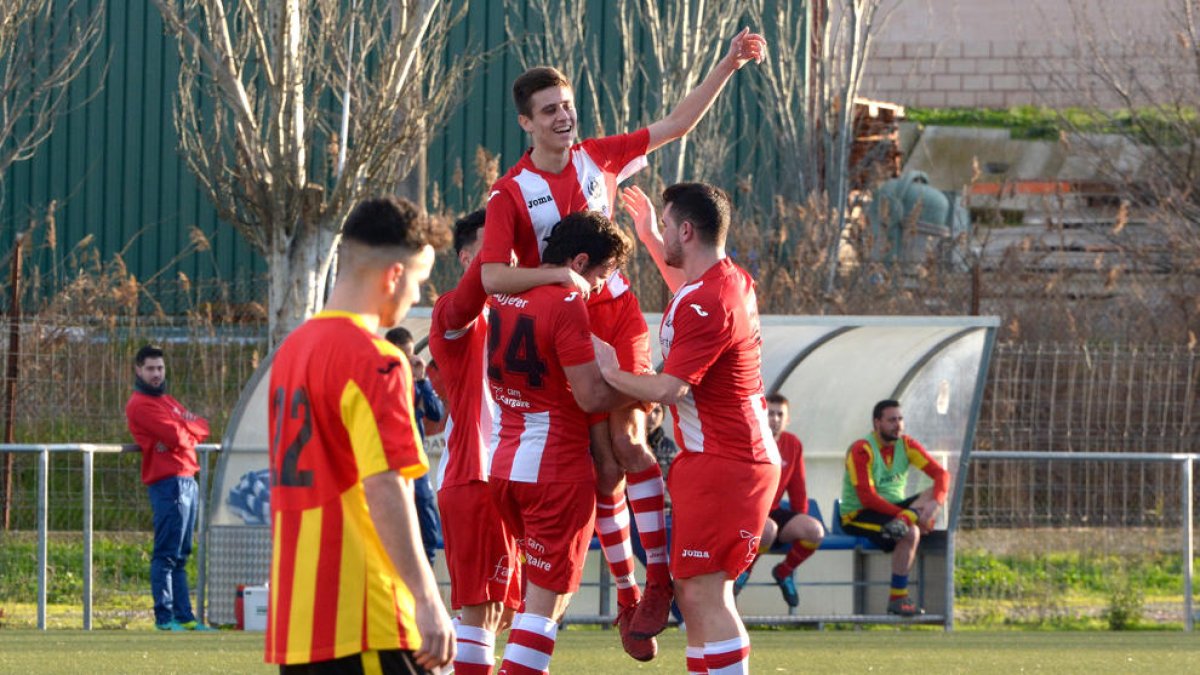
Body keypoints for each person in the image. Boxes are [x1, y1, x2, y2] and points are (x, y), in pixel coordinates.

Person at [478, 28, 768, 655]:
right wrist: (558, 276)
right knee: (600, 466)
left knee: (630, 443)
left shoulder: (599, 156)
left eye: (568, 104)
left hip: (617, 315)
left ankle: (657, 582)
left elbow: (678, 124)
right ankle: (628, 590)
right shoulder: (510, 191)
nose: (565, 116)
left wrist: (728, 62)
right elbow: (493, 276)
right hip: (563, 327)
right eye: (550, 109)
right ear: (527, 122)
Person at [595, 183, 780, 674]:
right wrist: (652, 236)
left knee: (705, 594)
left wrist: (612, 372)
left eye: (667, 222)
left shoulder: (707, 301)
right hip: (725, 457)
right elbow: (687, 288)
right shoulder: (726, 281)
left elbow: (670, 389)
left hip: (730, 460)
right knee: (695, 594)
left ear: (687, 229)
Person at [266, 196, 454, 673]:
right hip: (364, 615)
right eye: (418, 282)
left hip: (299, 622)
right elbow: (386, 485)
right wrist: (428, 598)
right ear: (394, 275)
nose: (418, 298)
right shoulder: (376, 360)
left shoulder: (291, 352)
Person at [487, 211, 633, 673]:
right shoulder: (567, 296)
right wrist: (638, 387)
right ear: (582, 261)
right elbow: (590, 395)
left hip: (506, 466)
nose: (603, 287)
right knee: (543, 612)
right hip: (554, 473)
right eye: (604, 275)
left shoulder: (505, 293)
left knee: (539, 600)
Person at [427, 209, 521, 675]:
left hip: (513, 477)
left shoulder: (518, 312)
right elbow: (471, 297)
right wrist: (514, 210)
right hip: (475, 475)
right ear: (468, 257)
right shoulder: (456, 313)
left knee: (502, 612)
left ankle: (433, 656)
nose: (506, 252)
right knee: (483, 613)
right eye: (492, 244)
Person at [125, 344, 214, 632]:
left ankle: (185, 616)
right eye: (150, 368)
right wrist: (186, 430)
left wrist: (186, 430)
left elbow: (203, 426)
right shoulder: (140, 404)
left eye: (160, 368)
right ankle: (164, 618)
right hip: (168, 481)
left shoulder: (168, 401)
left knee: (183, 552)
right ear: (139, 370)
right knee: (166, 552)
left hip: (187, 478)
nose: (156, 374)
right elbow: (176, 435)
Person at [840, 399, 950, 617]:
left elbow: (942, 475)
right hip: (859, 515)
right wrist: (910, 516)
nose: (898, 425)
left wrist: (935, 505)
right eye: (891, 420)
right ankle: (898, 598)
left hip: (897, 514)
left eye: (900, 419)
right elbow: (867, 498)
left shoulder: (906, 444)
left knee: (931, 493)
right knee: (911, 530)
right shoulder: (861, 450)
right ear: (877, 423)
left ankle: (908, 521)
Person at [732, 394, 825, 608]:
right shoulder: (748, 441)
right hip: (747, 513)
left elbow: (798, 487)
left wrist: (798, 516)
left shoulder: (792, 443)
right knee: (767, 529)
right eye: (770, 413)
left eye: (779, 414)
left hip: (773, 512)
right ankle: (743, 573)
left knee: (814, 531)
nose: (774, 419)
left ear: (787, 419)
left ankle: (784, 572)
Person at [384, 325, 446, 567]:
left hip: (414, 461)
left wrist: (422, 381)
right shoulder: (380, 382)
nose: (407, 361)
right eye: (401, 355)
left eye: (409, 355)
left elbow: (436, 412)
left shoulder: (417, 383)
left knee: (426, 510)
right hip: (388, 464)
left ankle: (427, 572)